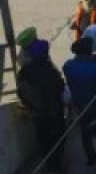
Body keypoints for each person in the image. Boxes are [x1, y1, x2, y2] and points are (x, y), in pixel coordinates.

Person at [17, 39, 66, 170]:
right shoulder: (49, 69)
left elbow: (21, 92)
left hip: (38, 114)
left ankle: (51, 165)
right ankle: (58, 166)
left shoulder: (24, 72)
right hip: (54, 112)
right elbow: (60, 86)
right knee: (59, 138)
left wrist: (31, 105)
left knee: (44, 140)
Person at [63, 37, 96, 168]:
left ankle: (91, 158)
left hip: (79, 105)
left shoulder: (68, 66)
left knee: (85, 132)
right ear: (89, 51)